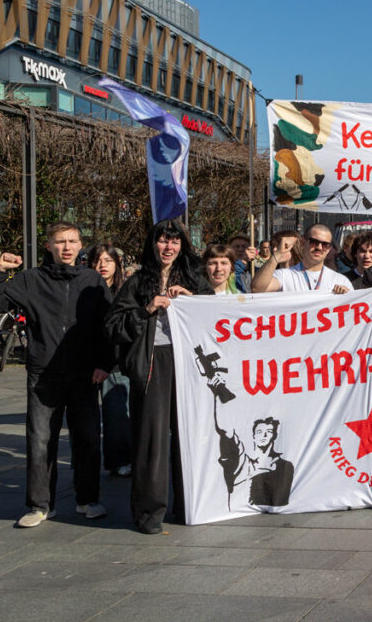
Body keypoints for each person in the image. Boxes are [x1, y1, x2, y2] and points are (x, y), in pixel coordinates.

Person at [0, 222, 114, 528]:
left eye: (72, 241)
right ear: (49, 246)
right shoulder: (31, 279)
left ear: (81, 246)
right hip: (44, 374)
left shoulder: (93, 280)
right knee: (40, 440)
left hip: (84, 374)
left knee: (88, 439)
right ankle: (40, 505)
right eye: (60, 242)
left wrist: (105, 363)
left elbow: (106, 326)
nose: (66, 247)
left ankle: (87, 499)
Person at [105, 219, 212, 534]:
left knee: (189, 439)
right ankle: (149, 514)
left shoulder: (195, 277)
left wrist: (192, 299)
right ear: (153, 245)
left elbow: (219, 317)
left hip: (190, 365)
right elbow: (113, 326)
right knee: (151, 441)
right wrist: (147, 309)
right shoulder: (138, 282)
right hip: (153, 363)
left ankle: (187, 507)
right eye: (163, 241)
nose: (169, 247)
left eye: (175, 242)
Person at [86, 242, 132, 478]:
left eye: (107, 260)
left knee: (116, 416)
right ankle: (84, 463)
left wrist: (108, 363)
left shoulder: (123, 292)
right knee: (85, 420)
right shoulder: (84, 289)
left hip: (115, 363)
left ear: (117, 264)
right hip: (86, 362)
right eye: (97, 260)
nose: (102, 265)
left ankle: (121, 460)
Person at [252, 224, 352, 294]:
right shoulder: (285, 275)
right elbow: (257, 289)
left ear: (329, 249)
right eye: (314, 242)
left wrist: (347, 297)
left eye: (325, 244)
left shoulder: (341, 281)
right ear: (303, 242)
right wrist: (276, 256)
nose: (319, 247)